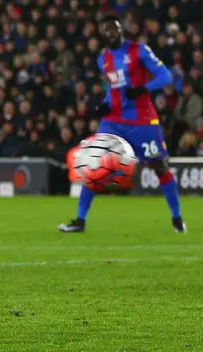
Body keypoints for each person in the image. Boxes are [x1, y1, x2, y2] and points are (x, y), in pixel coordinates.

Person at [59, 14, 186, 233]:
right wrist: (105, 105)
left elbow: (165, 76)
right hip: (114, 119)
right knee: (93, 163)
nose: (110, 33)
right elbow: (113, 89)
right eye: (106, 30)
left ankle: (177, 217)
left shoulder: (139, 50)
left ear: (120, 30)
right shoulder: (104, 59)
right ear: (102, 34)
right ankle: (80, 220)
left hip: (142, 118)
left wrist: (144, 88)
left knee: (159, 166)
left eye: (114, 29)